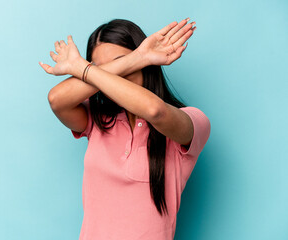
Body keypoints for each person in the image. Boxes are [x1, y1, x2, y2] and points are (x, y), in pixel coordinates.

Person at [39, 18, 211, 240]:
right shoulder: (97, 120)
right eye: (102, 69)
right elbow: (56, 99)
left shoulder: (193, 120)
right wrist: (137, 58)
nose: (111, 77)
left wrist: (83, 68)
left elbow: (154, 110)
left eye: (122, 62)